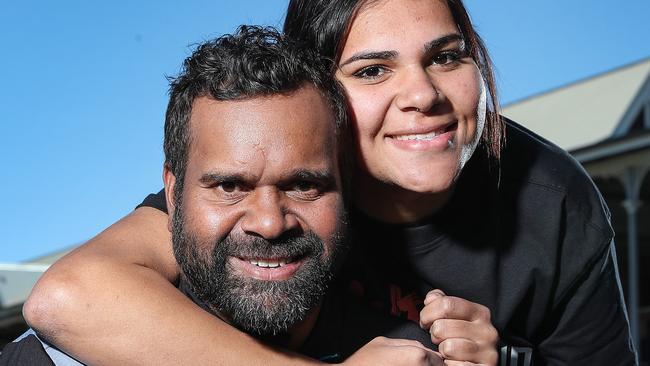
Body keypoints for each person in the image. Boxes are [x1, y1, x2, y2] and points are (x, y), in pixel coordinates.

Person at [24, 0, 637, 365]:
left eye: (447, 57)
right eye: (373, 70)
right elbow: (70, 297)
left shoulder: (553, 202)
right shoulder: (268, 191)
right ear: (313, 96)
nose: (423, 94)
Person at [4, 26, 444, 366]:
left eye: (304, 185)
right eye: (230, 187)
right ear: (172, 193)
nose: (270, 223)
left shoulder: (410, 354)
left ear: (345, 185)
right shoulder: (60, 356)